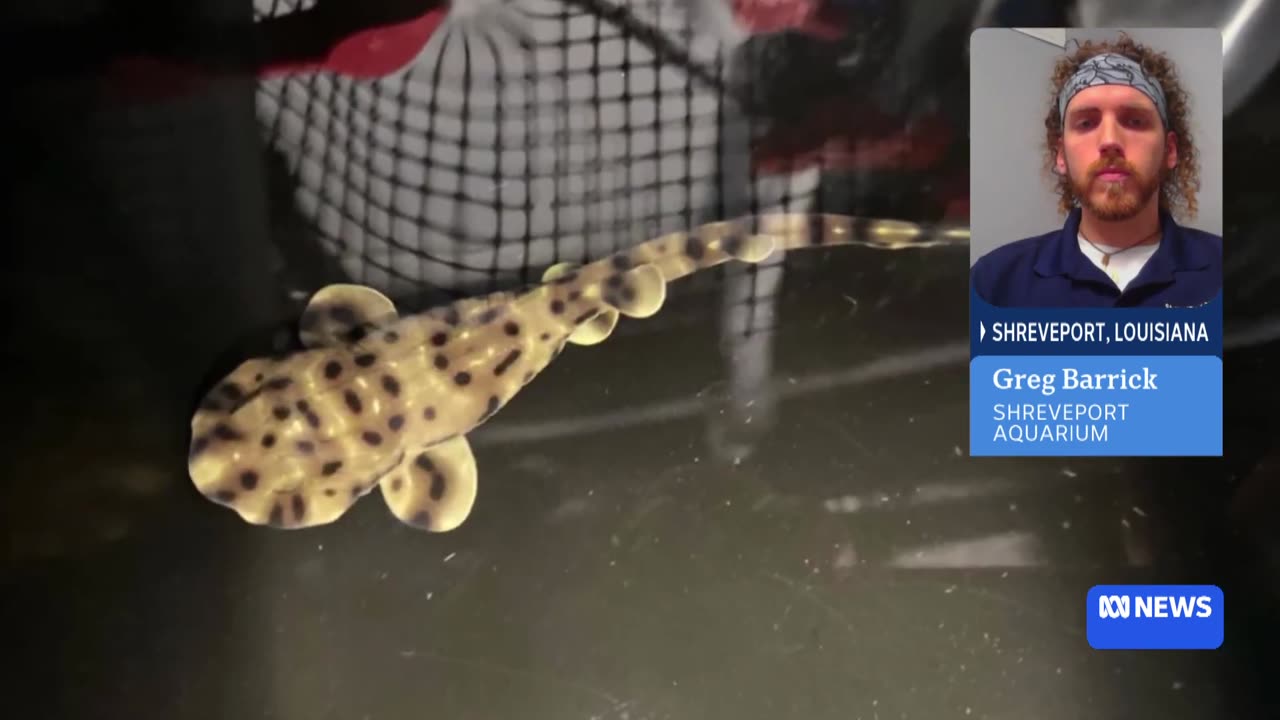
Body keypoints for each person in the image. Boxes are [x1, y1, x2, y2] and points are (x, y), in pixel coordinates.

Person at [970, 33, 1222, 308]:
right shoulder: (995, 285)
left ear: (1170, 151)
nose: (1109, 141)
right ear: (1061, 155)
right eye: (1087, 123)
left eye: (1135, 121)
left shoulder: (1232, 272)